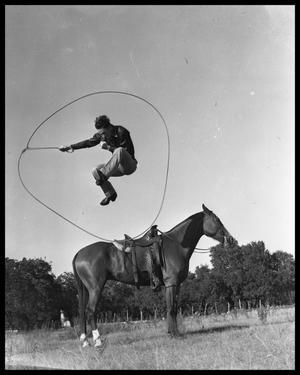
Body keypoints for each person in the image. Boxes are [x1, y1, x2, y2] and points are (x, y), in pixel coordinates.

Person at [59, 115, 137, 206]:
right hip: (117, 167)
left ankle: (103, 176)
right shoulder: (101, 135)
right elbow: (88, 142)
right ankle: (110, 194)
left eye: (103, 132)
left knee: (119, 150)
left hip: (129, 165)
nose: (102, 136)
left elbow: (127, 152)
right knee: (95, 170)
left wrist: (108, 147)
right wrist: (71, 147)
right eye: (100, 133)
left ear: (108, 127)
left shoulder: (121, 131)